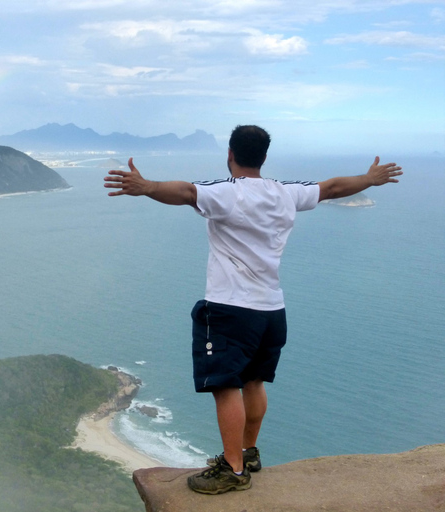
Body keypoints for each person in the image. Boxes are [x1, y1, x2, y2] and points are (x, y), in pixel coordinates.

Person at [104, 125, 402, 495]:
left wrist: (147, 186)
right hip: (272, 310)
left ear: (230, 154)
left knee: (226, 385)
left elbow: (184, 192)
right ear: (264, 157)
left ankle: (233, 470)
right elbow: (332, 188)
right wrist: (370, 179)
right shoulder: (284, 193)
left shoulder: (228, 193)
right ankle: (248, 453)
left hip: (231, 309)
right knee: (254, 382)